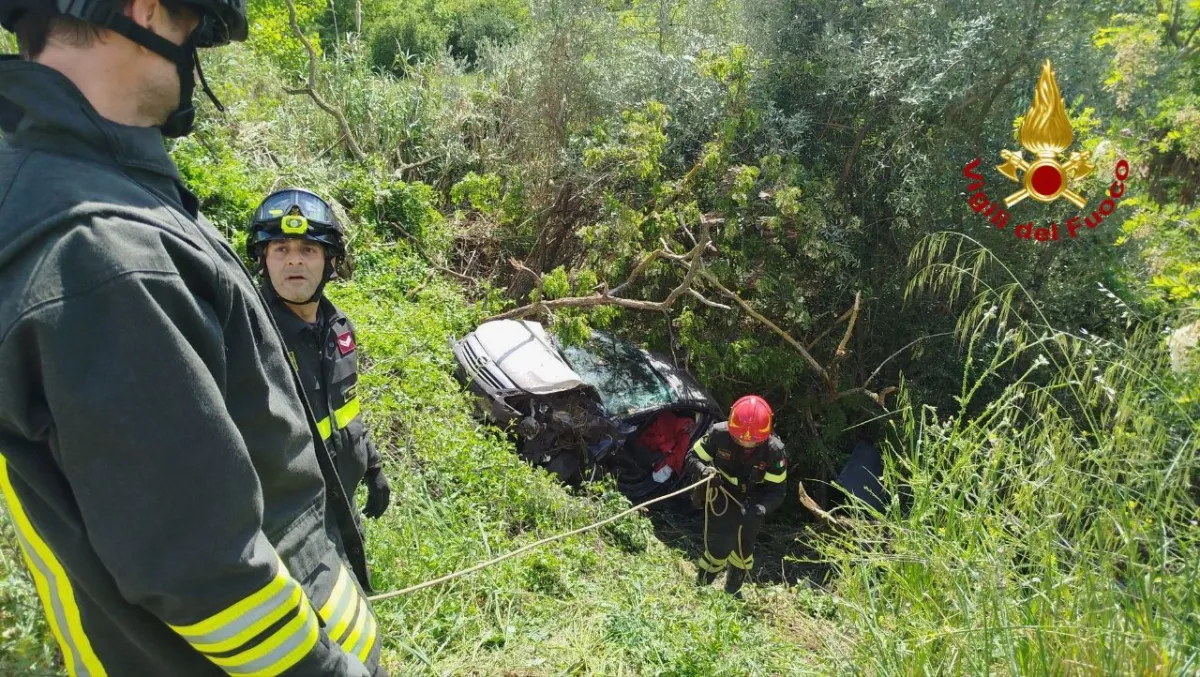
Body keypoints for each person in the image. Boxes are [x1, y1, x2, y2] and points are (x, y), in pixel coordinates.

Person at [0, 1, 386, 674]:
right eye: (194, 30)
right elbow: (205, 569)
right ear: (147, 9)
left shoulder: (102, 195)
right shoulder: (106, 254)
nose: (194, 59)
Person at [248, 188, 391, 528]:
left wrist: (372, 465)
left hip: (342, 504)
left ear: (330, 262)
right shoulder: (248, 338)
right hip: (288, 522)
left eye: (308, 249)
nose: (294, 260)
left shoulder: (339, 329)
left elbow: (347, 410)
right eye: (281, 248)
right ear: (262, 260)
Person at [685, 395, 788, 597]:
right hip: (722, 495)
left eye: (752, 442)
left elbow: (777, 491)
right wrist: (704, 471)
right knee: (719, 546)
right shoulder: (718, 434)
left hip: (753, 502)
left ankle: (732, 591)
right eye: (739, 438)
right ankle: (701, 586)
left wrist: (761, 509)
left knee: (743, 550)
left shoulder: (774, 452)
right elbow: (692, 457)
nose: (744, 443)